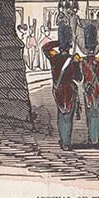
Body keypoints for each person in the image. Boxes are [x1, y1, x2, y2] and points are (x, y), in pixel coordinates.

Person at [43, 23, 82, 151]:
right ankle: (67, 141)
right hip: (70, 90)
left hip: (58, 89)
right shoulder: (73, 60)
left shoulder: (55, 58)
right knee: (68, 117)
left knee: (61, 115)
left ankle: (63, 140)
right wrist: (76, 63)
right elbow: (78, 78)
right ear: (70, 46)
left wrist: (59, 42)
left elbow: (45, 48)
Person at [80, 24, 99, 145]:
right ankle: (98, 137)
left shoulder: (83, 62)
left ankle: (92, 137)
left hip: (87, 89)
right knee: (97, 113)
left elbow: (80, 77)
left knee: (90, 114)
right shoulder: (98, 62)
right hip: (97, 88)